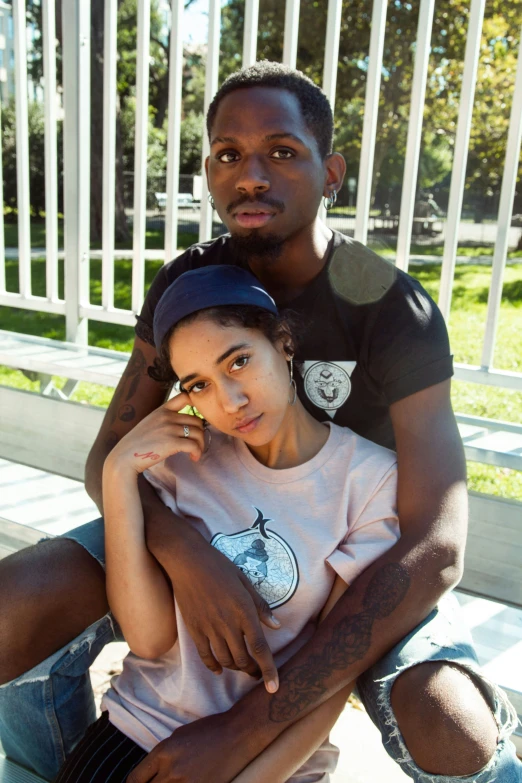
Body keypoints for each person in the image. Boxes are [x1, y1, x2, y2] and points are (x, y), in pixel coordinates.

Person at [0, 61, 519, 782]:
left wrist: (247, 729)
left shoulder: (389, 306)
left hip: (352, 552)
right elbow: (111, 454)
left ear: (330, 171)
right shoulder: (189, 283)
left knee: (450, 720)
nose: (250, 175)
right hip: (206, 511)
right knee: (12, 602)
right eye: (227, 155)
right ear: (208, 174)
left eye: (281, 151)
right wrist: (185, 553)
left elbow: (435, 543)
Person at [54, 264, 401, 782]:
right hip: (141, 732)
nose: (230, 403)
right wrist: (119, 471)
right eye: (199, 385)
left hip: (274, 758)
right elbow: (148, 640)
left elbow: (338, 671)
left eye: (238, 361)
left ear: (283, 343)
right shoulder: (184, 460)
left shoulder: (369, 481)